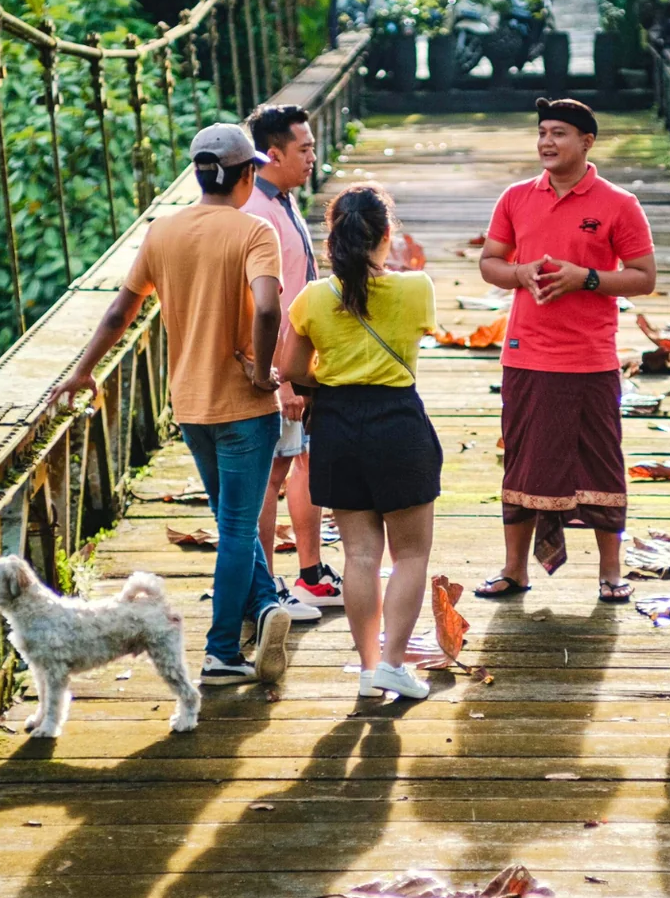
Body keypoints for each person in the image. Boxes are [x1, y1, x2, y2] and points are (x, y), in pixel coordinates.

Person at [48, 124, 293, 687]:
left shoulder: (164, 231)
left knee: (228, 520)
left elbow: (119, 312)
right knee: (236, 528)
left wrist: (82, 371)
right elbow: (266, 308)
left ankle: (265, 605)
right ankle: (221, 651)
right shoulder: (255, 231)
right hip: (244, 408)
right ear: (247, 174)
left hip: (189, 404)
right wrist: (260, 369)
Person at [474, 97, 656, 602]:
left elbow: (644, 277)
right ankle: (515, 569)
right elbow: (491, 261)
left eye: (559, 133)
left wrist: (587, 279)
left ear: (587, 142)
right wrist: (520, 273)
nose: (547, 143)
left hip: (589, 358)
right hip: (525, 353)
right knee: (523, 460)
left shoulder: (619, 204)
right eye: (542, 133)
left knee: (598, 461)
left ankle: (611, 572)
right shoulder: (515, 197)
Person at [277, 184, 443, 701]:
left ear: (333, 238)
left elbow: (292, 369)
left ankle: (370, 667)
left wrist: (329, 379)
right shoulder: (416, 288)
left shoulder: (311, 299)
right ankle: (393, 662)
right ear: (386, 236)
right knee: (411, 554)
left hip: (338, 427)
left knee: (360, 556)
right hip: (397, 423)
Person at [244, 104, 345, 622]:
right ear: (273, 154)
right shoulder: (256, 213)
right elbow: (265, 304)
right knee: (271, 474)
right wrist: (280, 377)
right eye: (303, 149)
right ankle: (262, 587)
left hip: (299, 363)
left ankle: (309, 574)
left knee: (301, 462)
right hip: (280, 369)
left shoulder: (278, 200)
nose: (313, 157)